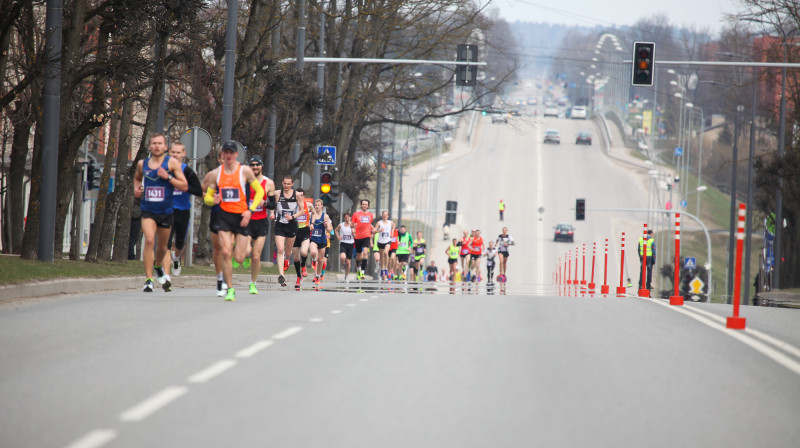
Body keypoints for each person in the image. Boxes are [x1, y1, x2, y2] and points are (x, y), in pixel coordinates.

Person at [202, 141, 265, 301]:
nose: (228, 155)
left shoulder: (245, 171)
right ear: (222, 155)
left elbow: (259, 192)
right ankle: (230, 288)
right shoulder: (216, 173)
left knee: (239, 258)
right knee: (224, 251)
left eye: (231, 152)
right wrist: (213, 200)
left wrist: (250, 211)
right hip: (224, 216)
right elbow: (208, 198)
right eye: (226, 152)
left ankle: (242, 250)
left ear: (236, 155)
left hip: (241, 217)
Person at [133, 133, 188, 293]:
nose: (157, 146)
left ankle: (158, 265)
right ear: (150, 146)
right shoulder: (142, 164)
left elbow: (184, 185)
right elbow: (137, 179)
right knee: (150, 240)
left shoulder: (171, 163)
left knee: (163, 247)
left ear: (165, 147)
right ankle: (149, 280)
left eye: (160, 143)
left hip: (166, 211)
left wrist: (168, 177)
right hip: (148, 209)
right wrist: (136, 188)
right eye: (154, 143)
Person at [163, 142, 203, 277]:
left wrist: (183, 187)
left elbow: (198, 190)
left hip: (183, 210)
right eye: (173, 152)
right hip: (166, 210)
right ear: (169, 152)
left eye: (178, 152)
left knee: (180, 242)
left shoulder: (187, 171)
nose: (175, 155)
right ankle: (165, 274)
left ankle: (176, 258)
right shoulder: (163, 169)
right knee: (166, 243)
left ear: (183, 154)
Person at [244, 155, 276, 294]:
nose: (255, 167)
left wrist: (266, 203)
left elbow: (273, 203)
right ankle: (244, 255)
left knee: (256, 257)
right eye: (252, 165)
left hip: (261, 222)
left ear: (262, 166)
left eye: (257, 165)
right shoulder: (245, 181)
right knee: (246, 251)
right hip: (247, 221)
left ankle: (253, 283)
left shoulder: (268, 183)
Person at [201, 152, 227, 296]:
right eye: (223, 157)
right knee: (218, 249)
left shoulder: (241, 174)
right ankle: (219, 278)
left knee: (227, 248)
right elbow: (203, 193)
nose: (226, 160)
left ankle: (226, 277)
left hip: (233, 216)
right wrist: (212, 200)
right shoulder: (213, 175)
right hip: (217, 214)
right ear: (219, 159)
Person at [273, 175, 302, 287]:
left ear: (292, 184)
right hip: (279, 224)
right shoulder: (277, 193)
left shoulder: (297, 195)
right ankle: (282, 276)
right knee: (280, 249)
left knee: (288, 252)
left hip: (291, 225)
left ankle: (286, 259)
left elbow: (303, 211)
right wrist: (271, 213)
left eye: (288, 184)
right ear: (282, 183)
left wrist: (293, 216)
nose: (286, 186)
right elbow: (272, 205)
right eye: (284, 183)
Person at [309, 199, 333, 285]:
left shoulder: (325, 216)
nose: (317, 207)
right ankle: (313, 259)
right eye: (315, 205)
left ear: (322, 206)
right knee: (313, 252)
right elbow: (308, 225)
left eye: (318, 205)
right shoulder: (311, 215)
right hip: (314, 238)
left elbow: (330, 230)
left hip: (322, 239)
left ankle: (318, 276)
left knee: (321, 260)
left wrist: (326, 226)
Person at [292, 188, 313, 285]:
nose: (300, 197)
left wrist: (312, 222)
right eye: (298, 195)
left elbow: (314, 212)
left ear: (304, 196)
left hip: (305, 231)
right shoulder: (293, 206)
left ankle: (303, 266)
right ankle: (298, 277)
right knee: (296, 258)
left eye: (301, 195)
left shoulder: (308, 205)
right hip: (295, 232)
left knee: (304, 252)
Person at [351, 199, 375, 280]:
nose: (364, 205)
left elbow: (369, 224)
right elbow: (351, 224)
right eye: (363, 204)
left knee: (365, 253)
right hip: (358, 237)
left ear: (368, 206)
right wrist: (353, 228)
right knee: (358, 256)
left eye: (366, 204)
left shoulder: (370, 215)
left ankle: (363, 272)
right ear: (361, 205)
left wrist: (374, 229)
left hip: (367, 236)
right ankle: (358, 269)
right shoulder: (356, 214)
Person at [372, 210, 395, 280]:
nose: (385, 216)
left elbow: (393, 228)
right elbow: (374, 231)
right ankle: (382, 269)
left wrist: (392, 233)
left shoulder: (391, 223)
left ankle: (385, 268)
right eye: (383, 214)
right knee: (381, 257)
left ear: (388, 216)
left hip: (388, 240)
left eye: (386, 214)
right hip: (380, 241)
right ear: (382, 216)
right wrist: (379, 231)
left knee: (386, 253)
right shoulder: (379, 223)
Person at [335, 213, 355, 282]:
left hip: (350, 244)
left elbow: (356, 234)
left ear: (350, 218)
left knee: (348, 262)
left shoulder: (353, 225)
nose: (347, 219)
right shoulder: (341, 225)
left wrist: (354, 234)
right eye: (346, 218)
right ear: (344, 218)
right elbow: (336, 230)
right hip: (343, 243)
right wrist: (338, 237)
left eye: (348, 217)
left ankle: (346, 275)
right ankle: (342, 264)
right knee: (342, 257)